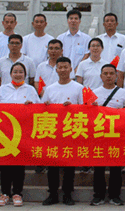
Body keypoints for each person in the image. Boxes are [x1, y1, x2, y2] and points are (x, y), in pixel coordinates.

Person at [0, 62, 40, 207]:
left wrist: (30, 106)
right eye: (15, 71)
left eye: (21, 72)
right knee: (5, 164)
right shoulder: (2, 89)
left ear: (25, 75)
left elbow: (38, 108)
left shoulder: (31, 89)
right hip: (5, 133)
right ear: (10, 73)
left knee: (19, 164)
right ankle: (4, 193)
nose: (18, 74)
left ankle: (17, 193)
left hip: (22, 133)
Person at [42, 57, 83, 206]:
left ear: (71, 69)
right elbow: (42, 108)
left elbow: (84, 109)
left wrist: (73, 107)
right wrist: (47, 105)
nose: (63, 70)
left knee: (69, 165)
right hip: (53, 132)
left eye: (66, 67)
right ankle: (52, 193)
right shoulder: (50, 88)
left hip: (71, 131)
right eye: (60, 67)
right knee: (52, 165)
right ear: (56, 69)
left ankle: (67, 194)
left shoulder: (78, 87)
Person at [91, 64, 125, 205]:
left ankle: (115, 195)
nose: (108, 76)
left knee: (116, 167)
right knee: (99, 166)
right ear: (101, 76)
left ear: (116, 75)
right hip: (100, 134)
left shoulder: (123, 93)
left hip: (117, 135)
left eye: (111, 73)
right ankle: (98, 195)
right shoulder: (94, 93)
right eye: (105, 73)